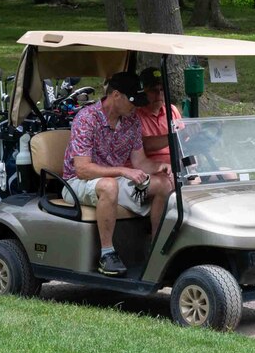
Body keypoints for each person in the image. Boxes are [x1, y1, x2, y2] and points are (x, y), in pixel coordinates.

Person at [62, 72, 174, 277]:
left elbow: (140, 162)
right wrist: (123, 170)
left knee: (163, 185)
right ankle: (107, 254)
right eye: (132, 101)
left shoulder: (131, 120)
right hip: (77, 183)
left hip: (114, 179)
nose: (136, 107)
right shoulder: (87, 119)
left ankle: (156, 248)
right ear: (115, 95)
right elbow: (83, 169)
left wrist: (160, 167)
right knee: (108, 185)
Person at [135, 66, 182, 168]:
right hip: (152, 167)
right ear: (142, 93)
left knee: (225, 175)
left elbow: (185, 140)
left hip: (177, 163)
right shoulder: (135, 115)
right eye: (153, 90)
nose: (159, 94)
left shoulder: (172, 110)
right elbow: (145, 144)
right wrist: (176, 137)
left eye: (162, 89)